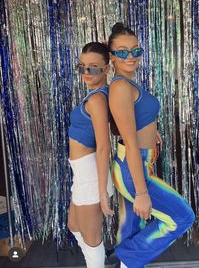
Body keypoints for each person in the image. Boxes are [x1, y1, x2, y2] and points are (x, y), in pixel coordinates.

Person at [108, 23, 195, 268]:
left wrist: (151, 129)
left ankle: (123, 256)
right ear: (112, 55)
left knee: (134, 227)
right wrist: (142, 192)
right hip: (132, 165)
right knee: (182, 217)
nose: (131, 57)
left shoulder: (128, 84)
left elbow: (135, 121)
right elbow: (132, 143)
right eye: (123, 51)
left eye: (136, 51)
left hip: (136, 162)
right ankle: (123, 255)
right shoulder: (121, 86)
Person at [67, 42, 114, 268]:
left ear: (107, 69)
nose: (86, 73)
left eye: (94, 67)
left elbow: (104, 146)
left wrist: (103, 193)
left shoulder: (97, 100)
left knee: (92, 241)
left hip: (91, 177)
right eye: (82, 67)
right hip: (82, 174)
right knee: (74, 226)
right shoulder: (98, 95)